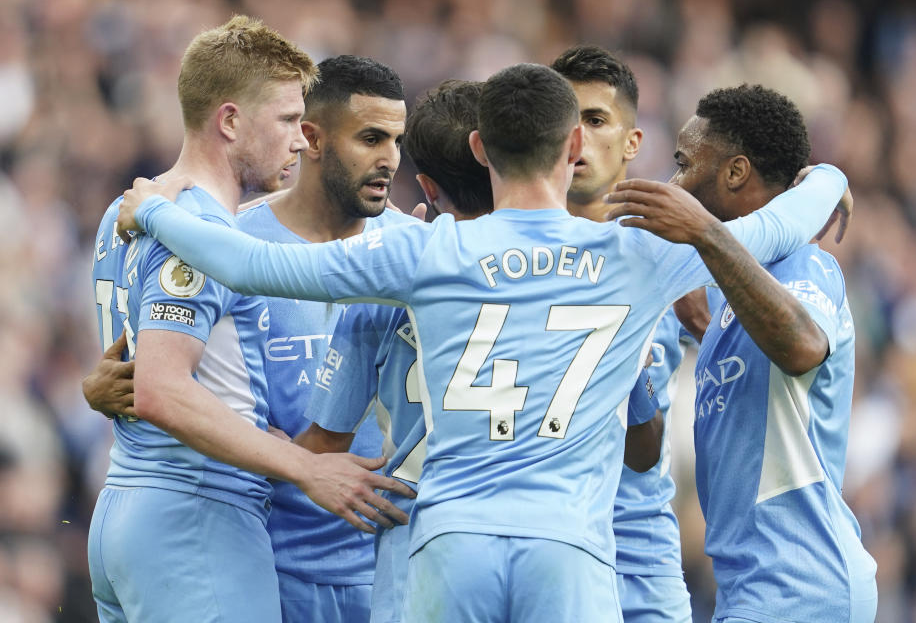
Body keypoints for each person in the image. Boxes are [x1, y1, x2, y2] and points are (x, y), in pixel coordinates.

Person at [116, 63, 849, 622]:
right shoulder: (637, 254)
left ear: (478, 145)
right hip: (567, 550)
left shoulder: (422, 251)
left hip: (450, 540)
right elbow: (777, 227)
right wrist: (829, 177)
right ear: (573, 146)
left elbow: (250, 262)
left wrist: (158, 211)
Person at [299, 79, 662, 623]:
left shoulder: (387, 281)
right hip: (558, 547)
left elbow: (325, 444)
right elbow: (644, 447)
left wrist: (244, 451)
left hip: (421, 555)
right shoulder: (592, 280)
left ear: (427, 185)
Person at [87, 16, 411, 623]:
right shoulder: (202, 232)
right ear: (230, 120)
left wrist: (96, 388)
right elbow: (162, 385)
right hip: (198, 516)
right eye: (289, 120)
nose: (299, 139)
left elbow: (139, 360)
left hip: (127, 506)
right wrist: (307, 467)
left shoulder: (126, 212)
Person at [670, 84, 877, 623]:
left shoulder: (804, 267)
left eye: (684, 163)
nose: (675, 182)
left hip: (800, 580)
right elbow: (708, 318)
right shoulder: (732, 298)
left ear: (735, 172)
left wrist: (704, 234)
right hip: (756, 586)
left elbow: (803, 345)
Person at [551, 44, 695, 622]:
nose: (578, 139)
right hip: (549, 544)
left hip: (642, 550)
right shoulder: (504, 252)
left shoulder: (676, 256)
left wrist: (823, 180)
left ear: (632, 142)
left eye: (595, 120)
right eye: (565, 122)